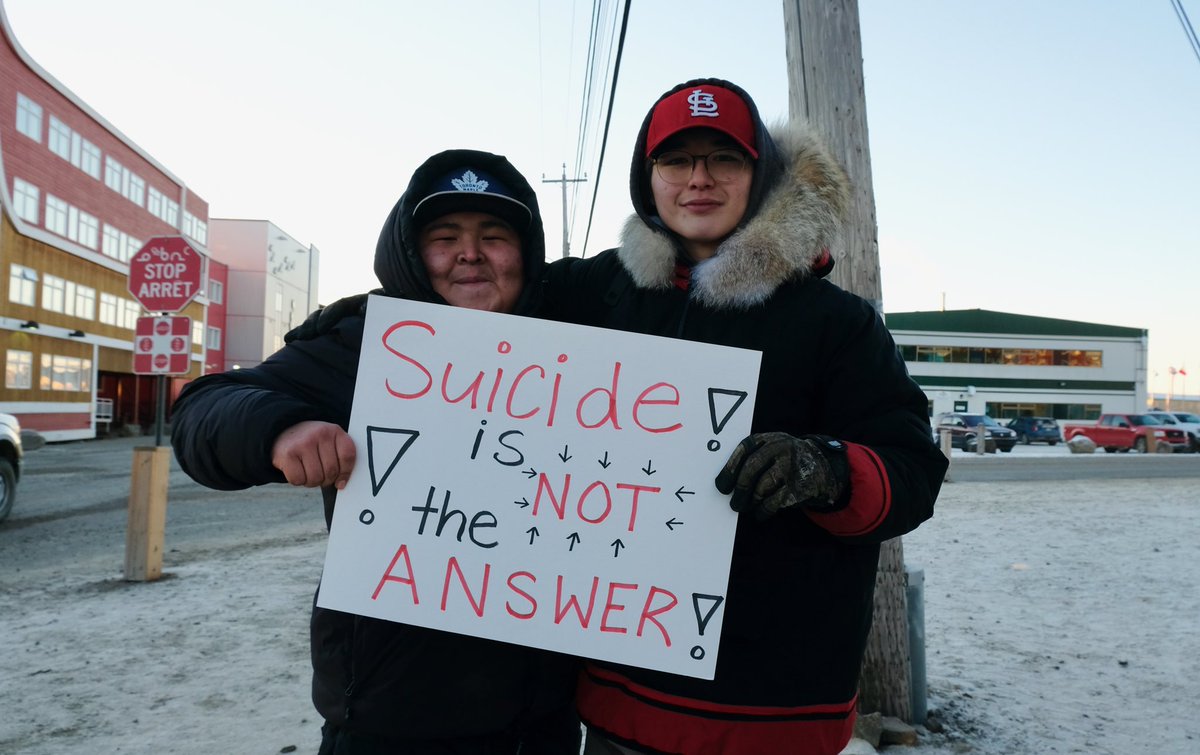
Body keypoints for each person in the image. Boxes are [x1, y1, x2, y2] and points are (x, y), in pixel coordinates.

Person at [540, 79, 949, 754]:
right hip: (618, 704)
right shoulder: (594, 291)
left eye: (724, 159)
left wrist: (826, 469)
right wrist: (357, 350)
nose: (699, 178)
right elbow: (460, 305)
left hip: (772, 714)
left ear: (760, 175)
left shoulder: (836, 323)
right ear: (647, 178)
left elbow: (913, 471)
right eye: (676, 160)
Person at [170, 149, 581, 755]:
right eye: (445, 237)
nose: (470, 253)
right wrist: (278, 431)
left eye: (494, 236)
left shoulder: (577, 354)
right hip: (392, 718)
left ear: (525, 253)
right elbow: (201, 412)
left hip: (541, 722)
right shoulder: (361, 343)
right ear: (410, 253)